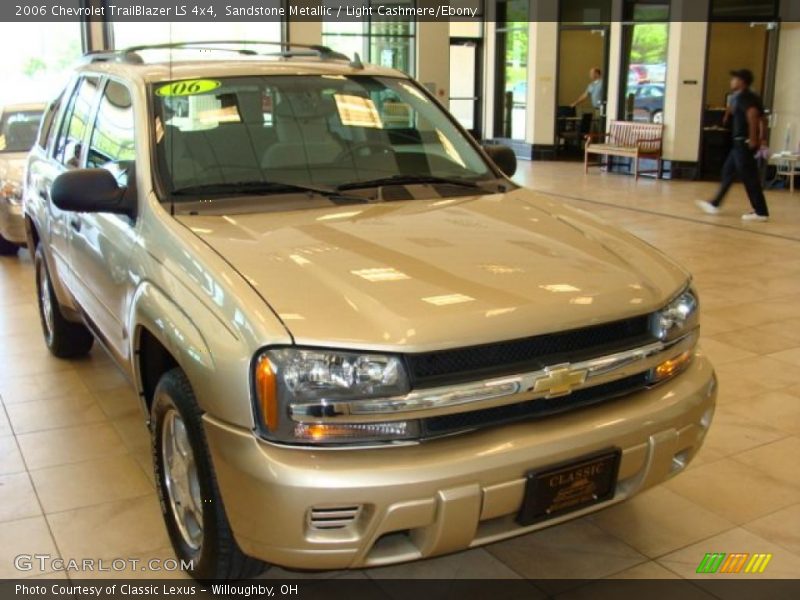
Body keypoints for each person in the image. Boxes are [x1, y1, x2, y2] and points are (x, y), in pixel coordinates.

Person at [697, 69, 770, 222]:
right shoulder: (744, 97)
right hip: (738, 143)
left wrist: (754, 138)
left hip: (744, 142)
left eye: (734, 79)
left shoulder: (745, 98)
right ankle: (715, 203)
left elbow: (753, 116)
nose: (732, 82)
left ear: (742, 82)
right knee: (728, 171)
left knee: (749, 177)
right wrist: (727, 114)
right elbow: (764, 119)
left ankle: (761, 211)